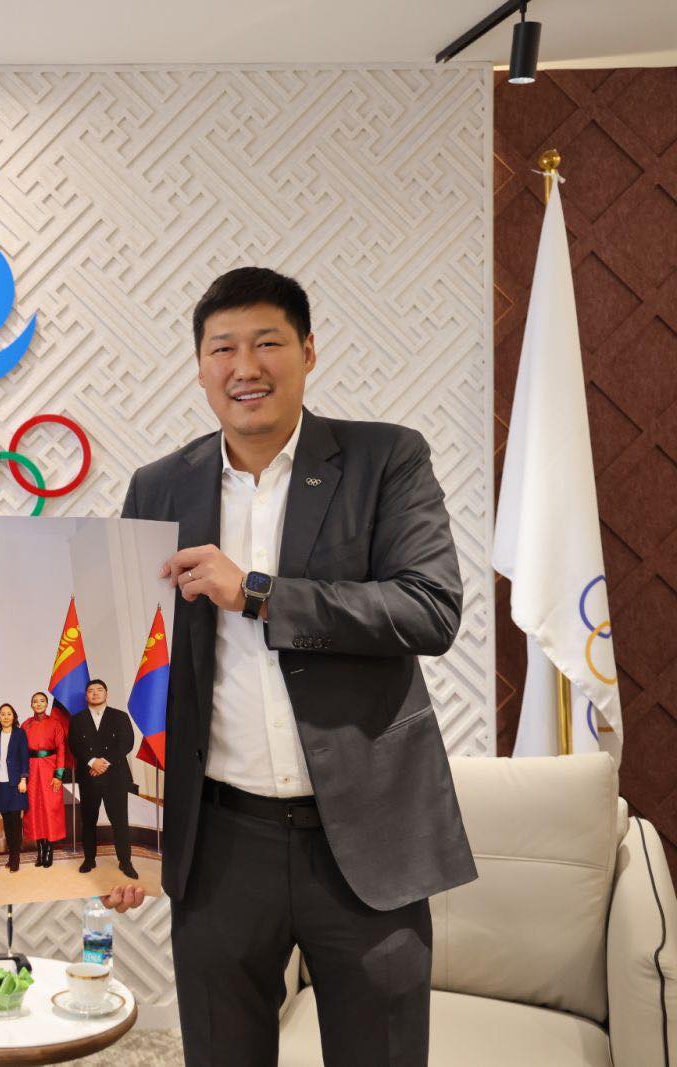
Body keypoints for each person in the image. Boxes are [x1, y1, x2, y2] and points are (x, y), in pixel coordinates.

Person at [116, 266, 475, 1066]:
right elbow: (139, 668)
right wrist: (122, 837)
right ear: (199, 366)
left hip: (364, 840)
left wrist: (257, 592)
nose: (245, 367)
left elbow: (429, 608)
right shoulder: (159, 487)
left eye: (268, 343)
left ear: (308, 351)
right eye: (223, 348)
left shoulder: (386, 459)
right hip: (219, 843)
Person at [66, 679, 137, 880]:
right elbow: (74, 744)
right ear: (86, 696)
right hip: (89, 776)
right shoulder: (77, 719)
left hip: (115, 776)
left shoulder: (120, 716)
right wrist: (92, 762)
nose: (95, 693)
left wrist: (103, 763)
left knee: (120, 821)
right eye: (91, 690)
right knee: (88, 821)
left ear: (106, 693)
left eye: (99, 690)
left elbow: (126, 742)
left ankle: (125, 862)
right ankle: (89, 859)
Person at [22, 691, 68, 867]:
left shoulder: (55, 724)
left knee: (50, 808)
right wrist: (23, 776)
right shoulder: (26, 725)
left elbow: (61, 750)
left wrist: (58, 776)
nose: (38, 704)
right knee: (34, 809)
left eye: (42, 701)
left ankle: (49, 849)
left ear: (46, 704)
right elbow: (21, 750)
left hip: (50, 769)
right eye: (35, 701)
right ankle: (40, 848)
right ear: (31, 705)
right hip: (31, 770)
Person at [0, 703, 30, 872]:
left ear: (14, 717)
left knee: (15, 821)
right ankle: (11, 854)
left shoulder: (20, 733)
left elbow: (24, 757)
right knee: (6, 822)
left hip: (15, 783)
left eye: (9, 714)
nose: (5, 717)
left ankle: (15, 858)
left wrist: (23, 779)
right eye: (2, 714)